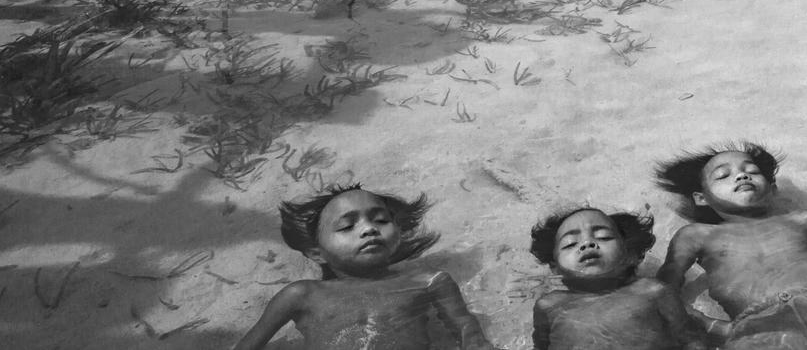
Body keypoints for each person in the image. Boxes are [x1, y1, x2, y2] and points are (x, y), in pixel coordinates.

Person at [654, 142, 807, 350]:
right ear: (701, 198)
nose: (742, 175)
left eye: (751, 170)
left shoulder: (803, 220)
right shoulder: (697, 235)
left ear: (772, 189)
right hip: (756, 331)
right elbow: (662, 293)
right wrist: (715, 328)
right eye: (722, 175)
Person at [232, 184, 496, 350]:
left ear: (399, 234)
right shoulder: (301, 294)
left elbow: (472, 338)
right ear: (316, 252)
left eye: (380, 220)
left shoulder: (431, 281)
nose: (369, 229)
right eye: (347, 226)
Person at [529, 206, 704, 350]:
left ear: (631, 254)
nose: (587, 243)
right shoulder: (549, 305)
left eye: (603, 237)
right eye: (570, 244)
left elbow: (689, 339)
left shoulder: (652, 291)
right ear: (554, 266)